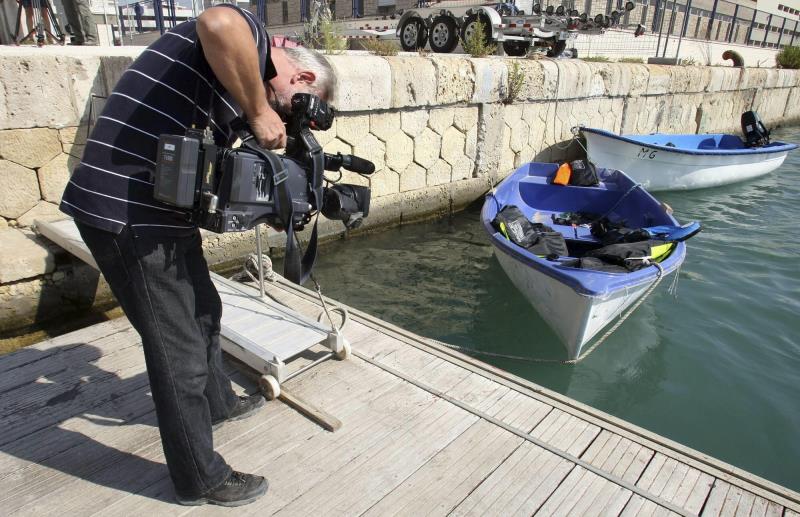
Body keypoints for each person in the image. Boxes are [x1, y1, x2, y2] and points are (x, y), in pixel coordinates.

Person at [58, 4, 334, 507]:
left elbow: (222, 169)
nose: (292, 118)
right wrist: (259, 110)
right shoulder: (248, 35)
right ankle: (198, 477)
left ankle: (218, 403)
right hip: (126, 212)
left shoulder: (230, 81)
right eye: (300, 104)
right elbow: (217, 22)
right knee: (177, 346)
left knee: (206, 309)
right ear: (303, 76)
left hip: (160, 212)